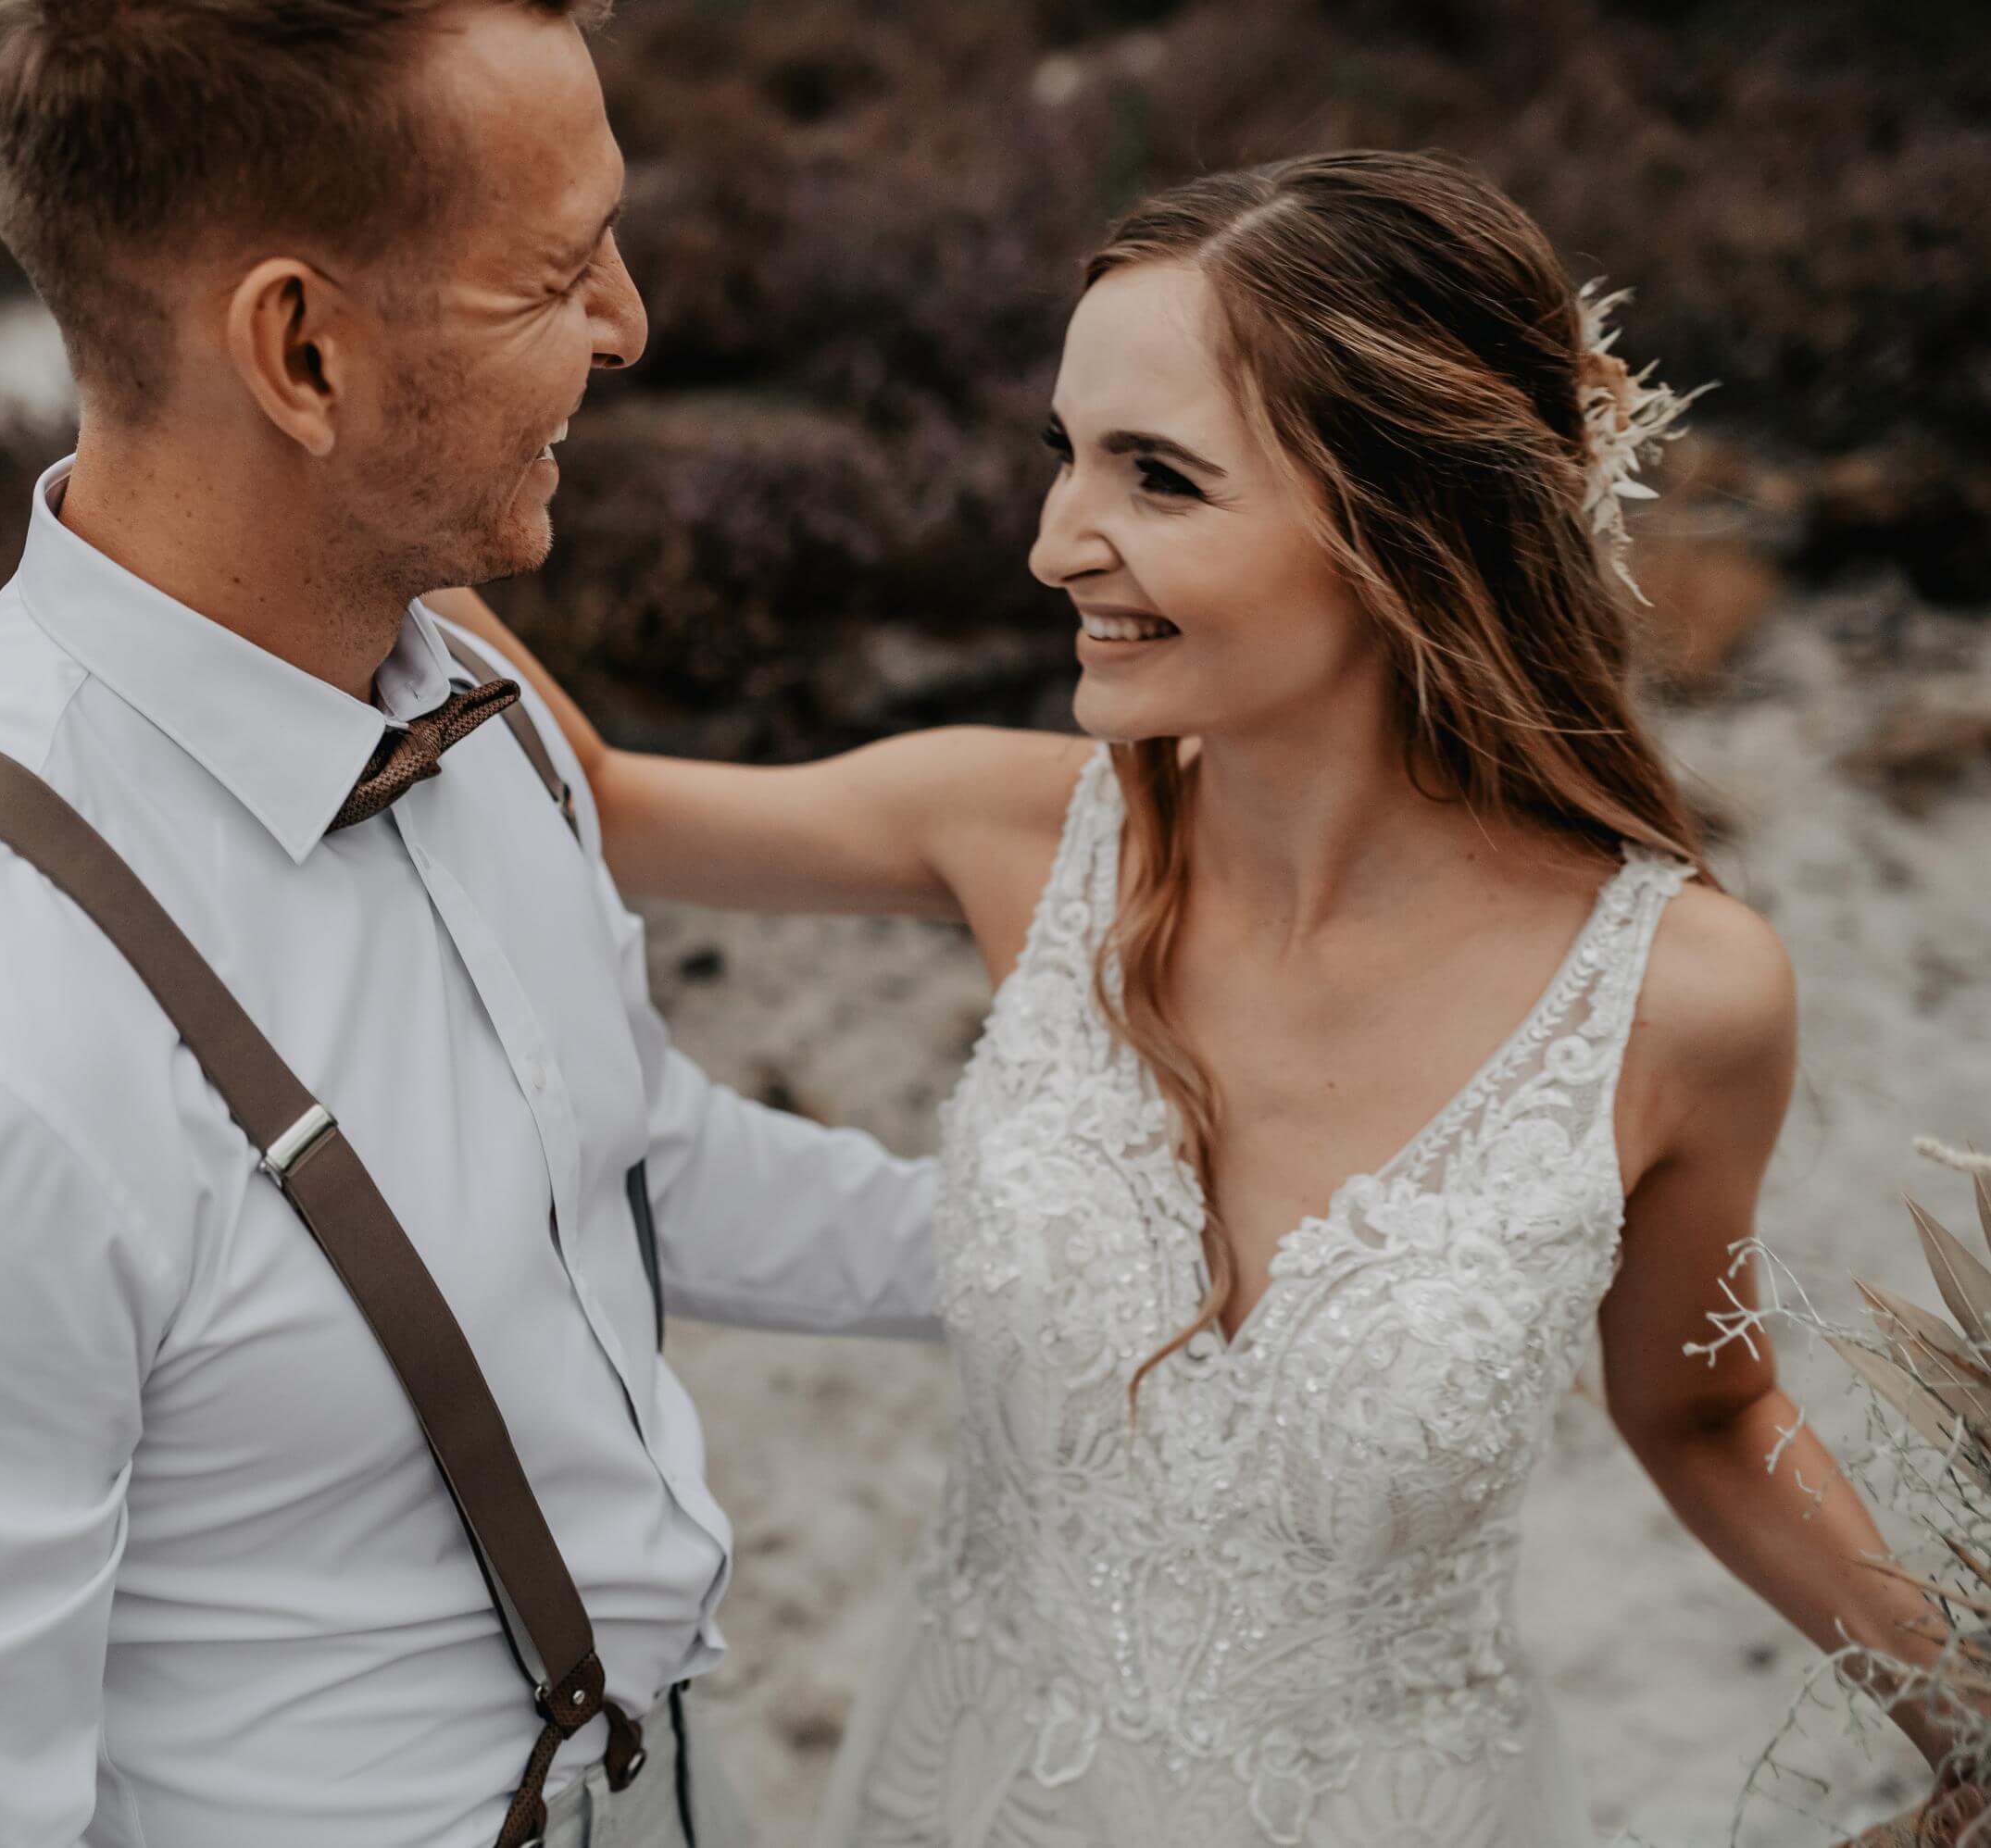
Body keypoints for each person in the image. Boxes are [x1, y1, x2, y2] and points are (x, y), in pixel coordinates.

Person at [449, 148, 1980, 1846]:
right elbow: (594, 796)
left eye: (1159, 478)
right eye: (1067, 455)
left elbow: (1708, 1411)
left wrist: (1969, 1718)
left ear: (1406, 524)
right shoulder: (1009, 831)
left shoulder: (1682, 999)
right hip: (974, 1793)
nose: (1054, 546)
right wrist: (338, 449)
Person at [0, 4, 943, 1844]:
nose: (628, 322)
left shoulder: (476, 702)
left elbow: (619, 1151)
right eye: (555, 270)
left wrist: (1078, 1254)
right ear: (301, 351)